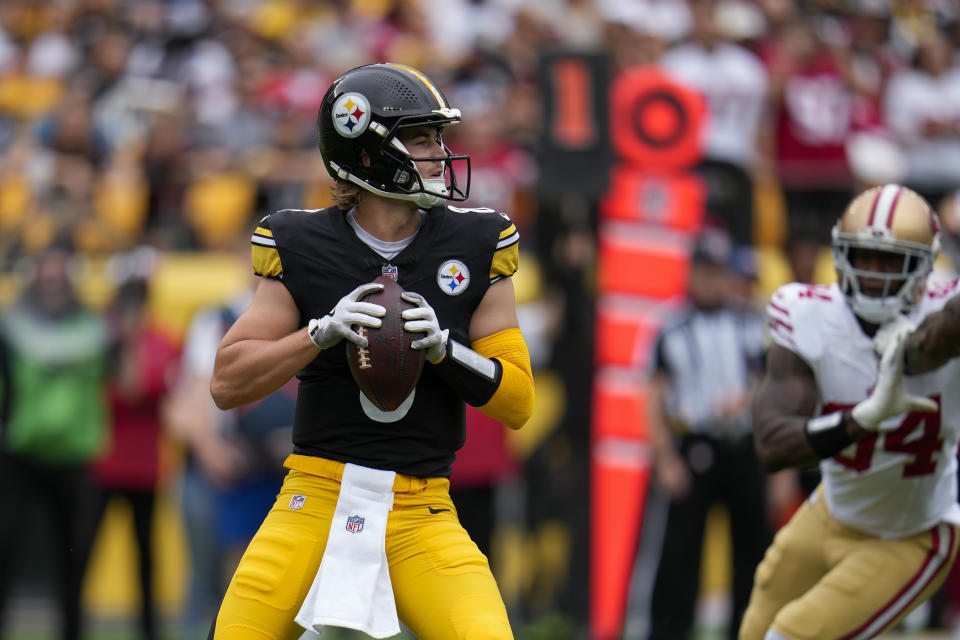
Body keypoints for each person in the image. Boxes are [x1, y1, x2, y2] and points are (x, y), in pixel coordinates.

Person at [207, 63, 535, 640]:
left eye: (438, 137)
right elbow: (226, 383)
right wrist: (317, 334)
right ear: (365, 152)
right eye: (420, 138)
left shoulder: (477, 241)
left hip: (422, 507)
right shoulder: (302, 242)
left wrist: (445, 351)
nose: (439, 152)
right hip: (315, 493)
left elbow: (518, 402)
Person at [740, 184, 960, 640]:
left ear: (924, 267)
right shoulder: (807, 315)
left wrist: (908, 359)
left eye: (891, 261)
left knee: (790, 635)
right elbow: (772, 444)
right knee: (755, 628)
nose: (875, 275)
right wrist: (862, 418)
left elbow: (932, 342)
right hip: (831, 512)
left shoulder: (945, 314)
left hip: (912, 534)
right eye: (864, 257)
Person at [644, 227, 769, 639]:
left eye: (719, 273)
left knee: (752, 548)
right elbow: (655, 394)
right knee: (680, 551)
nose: (712, 281)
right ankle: (668, 631)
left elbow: (772, 387)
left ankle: (748, 631)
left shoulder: (751, 324)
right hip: (695, 444)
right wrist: (664, 459)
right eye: (705, 272)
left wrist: (749, 400)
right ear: (691, 273)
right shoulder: (670, 325)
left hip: (744, 447)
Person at [0, 243, 109, 640]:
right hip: (19, 454)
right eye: (46, 274)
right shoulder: (13, 328)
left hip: (73, 458)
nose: (52, 282)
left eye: (58, 274)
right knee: (6, 553)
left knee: (74, 561)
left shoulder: (92, 328)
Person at [91, 271, 179, 640]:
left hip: (144, 466)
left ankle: (149, 631)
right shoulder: (100, 344)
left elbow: (137, 389)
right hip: (103, 464)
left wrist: (126, 347)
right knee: (83, 550)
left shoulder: (162, 343)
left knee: (146, 556)